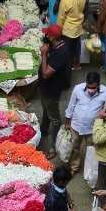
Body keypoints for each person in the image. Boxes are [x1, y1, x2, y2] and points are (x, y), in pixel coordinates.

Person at [64, 73, 106, 174]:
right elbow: (71, 105)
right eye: (88, 87)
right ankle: (74, 167)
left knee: (92, 149)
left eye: (93, 88)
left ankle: (91, 169)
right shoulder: (77, 89)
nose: (90, 90)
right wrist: (67, 122)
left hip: (92, 128)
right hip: (76, 125)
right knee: (74, 147)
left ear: (99, 84)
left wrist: (103, 126)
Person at [39, 25, 73, 157]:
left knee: (55, 118)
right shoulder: (54, 46)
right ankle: (43, 130)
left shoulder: (61, 53)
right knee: (46, 109)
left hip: (51, 90)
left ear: (52, 37)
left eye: (48, 34)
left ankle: (54, 146)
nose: (46, 36)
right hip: (45, 88)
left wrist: (43, 55)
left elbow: (46, 74)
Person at [58, 0, 88, 69]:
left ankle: (68, 67)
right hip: (78, 27)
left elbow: (61, 18)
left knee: (67, 50)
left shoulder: (65, 0)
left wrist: (58, 32)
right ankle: (76, 63)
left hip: (68, 30)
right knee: (77, 46)